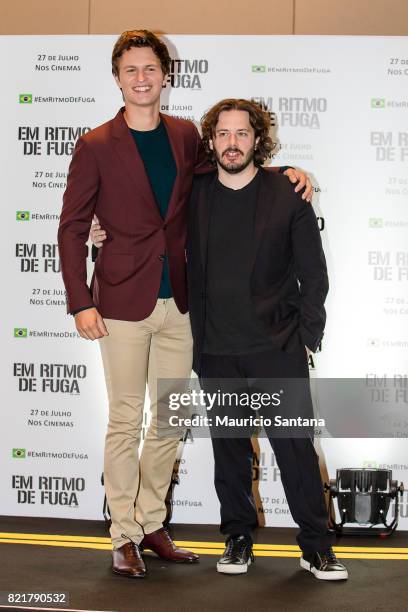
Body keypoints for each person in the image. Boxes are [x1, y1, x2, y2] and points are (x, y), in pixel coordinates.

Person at [58, 28, 313, 580]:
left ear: (165, 76)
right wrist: (80, 300)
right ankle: (122, 535)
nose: (142, 78)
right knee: (126, 421)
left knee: (170, 423)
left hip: (181, 310)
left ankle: (152, 522)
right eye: (131, 70)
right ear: (118, 78)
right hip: (123, 303)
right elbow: (73, 226)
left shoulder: (184, 138)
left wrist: (290, 175)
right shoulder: (96, 144)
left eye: (151, 69)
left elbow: (233, 169)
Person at [185, 99, 348, 580]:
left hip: (276, 346)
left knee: (295, 448)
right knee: (229, 448)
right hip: (214, 347)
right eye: (222, 134)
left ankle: (316, 545)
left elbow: (313, 274)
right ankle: (237, 538)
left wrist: (306, 337)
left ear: (258, 139)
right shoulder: (193, 192)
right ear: (211, 141)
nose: (231, 143)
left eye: (241, 133)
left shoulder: (286, 193)